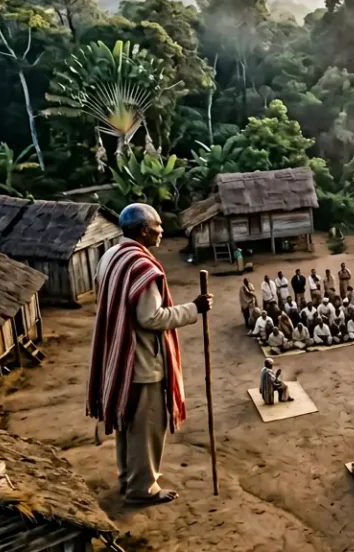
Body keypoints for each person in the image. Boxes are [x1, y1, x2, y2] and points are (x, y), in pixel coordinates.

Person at [87, 203, 211, 505]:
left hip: (118, 356)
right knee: (146, 428)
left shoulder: (111, 256)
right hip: (142, 362)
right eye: (157, 226)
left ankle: (128, 479)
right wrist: (193, 309)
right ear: (143, 230)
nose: (162, 231)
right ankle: (143, 488)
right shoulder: (142, 266)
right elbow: (150, 318)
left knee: (127, 425)